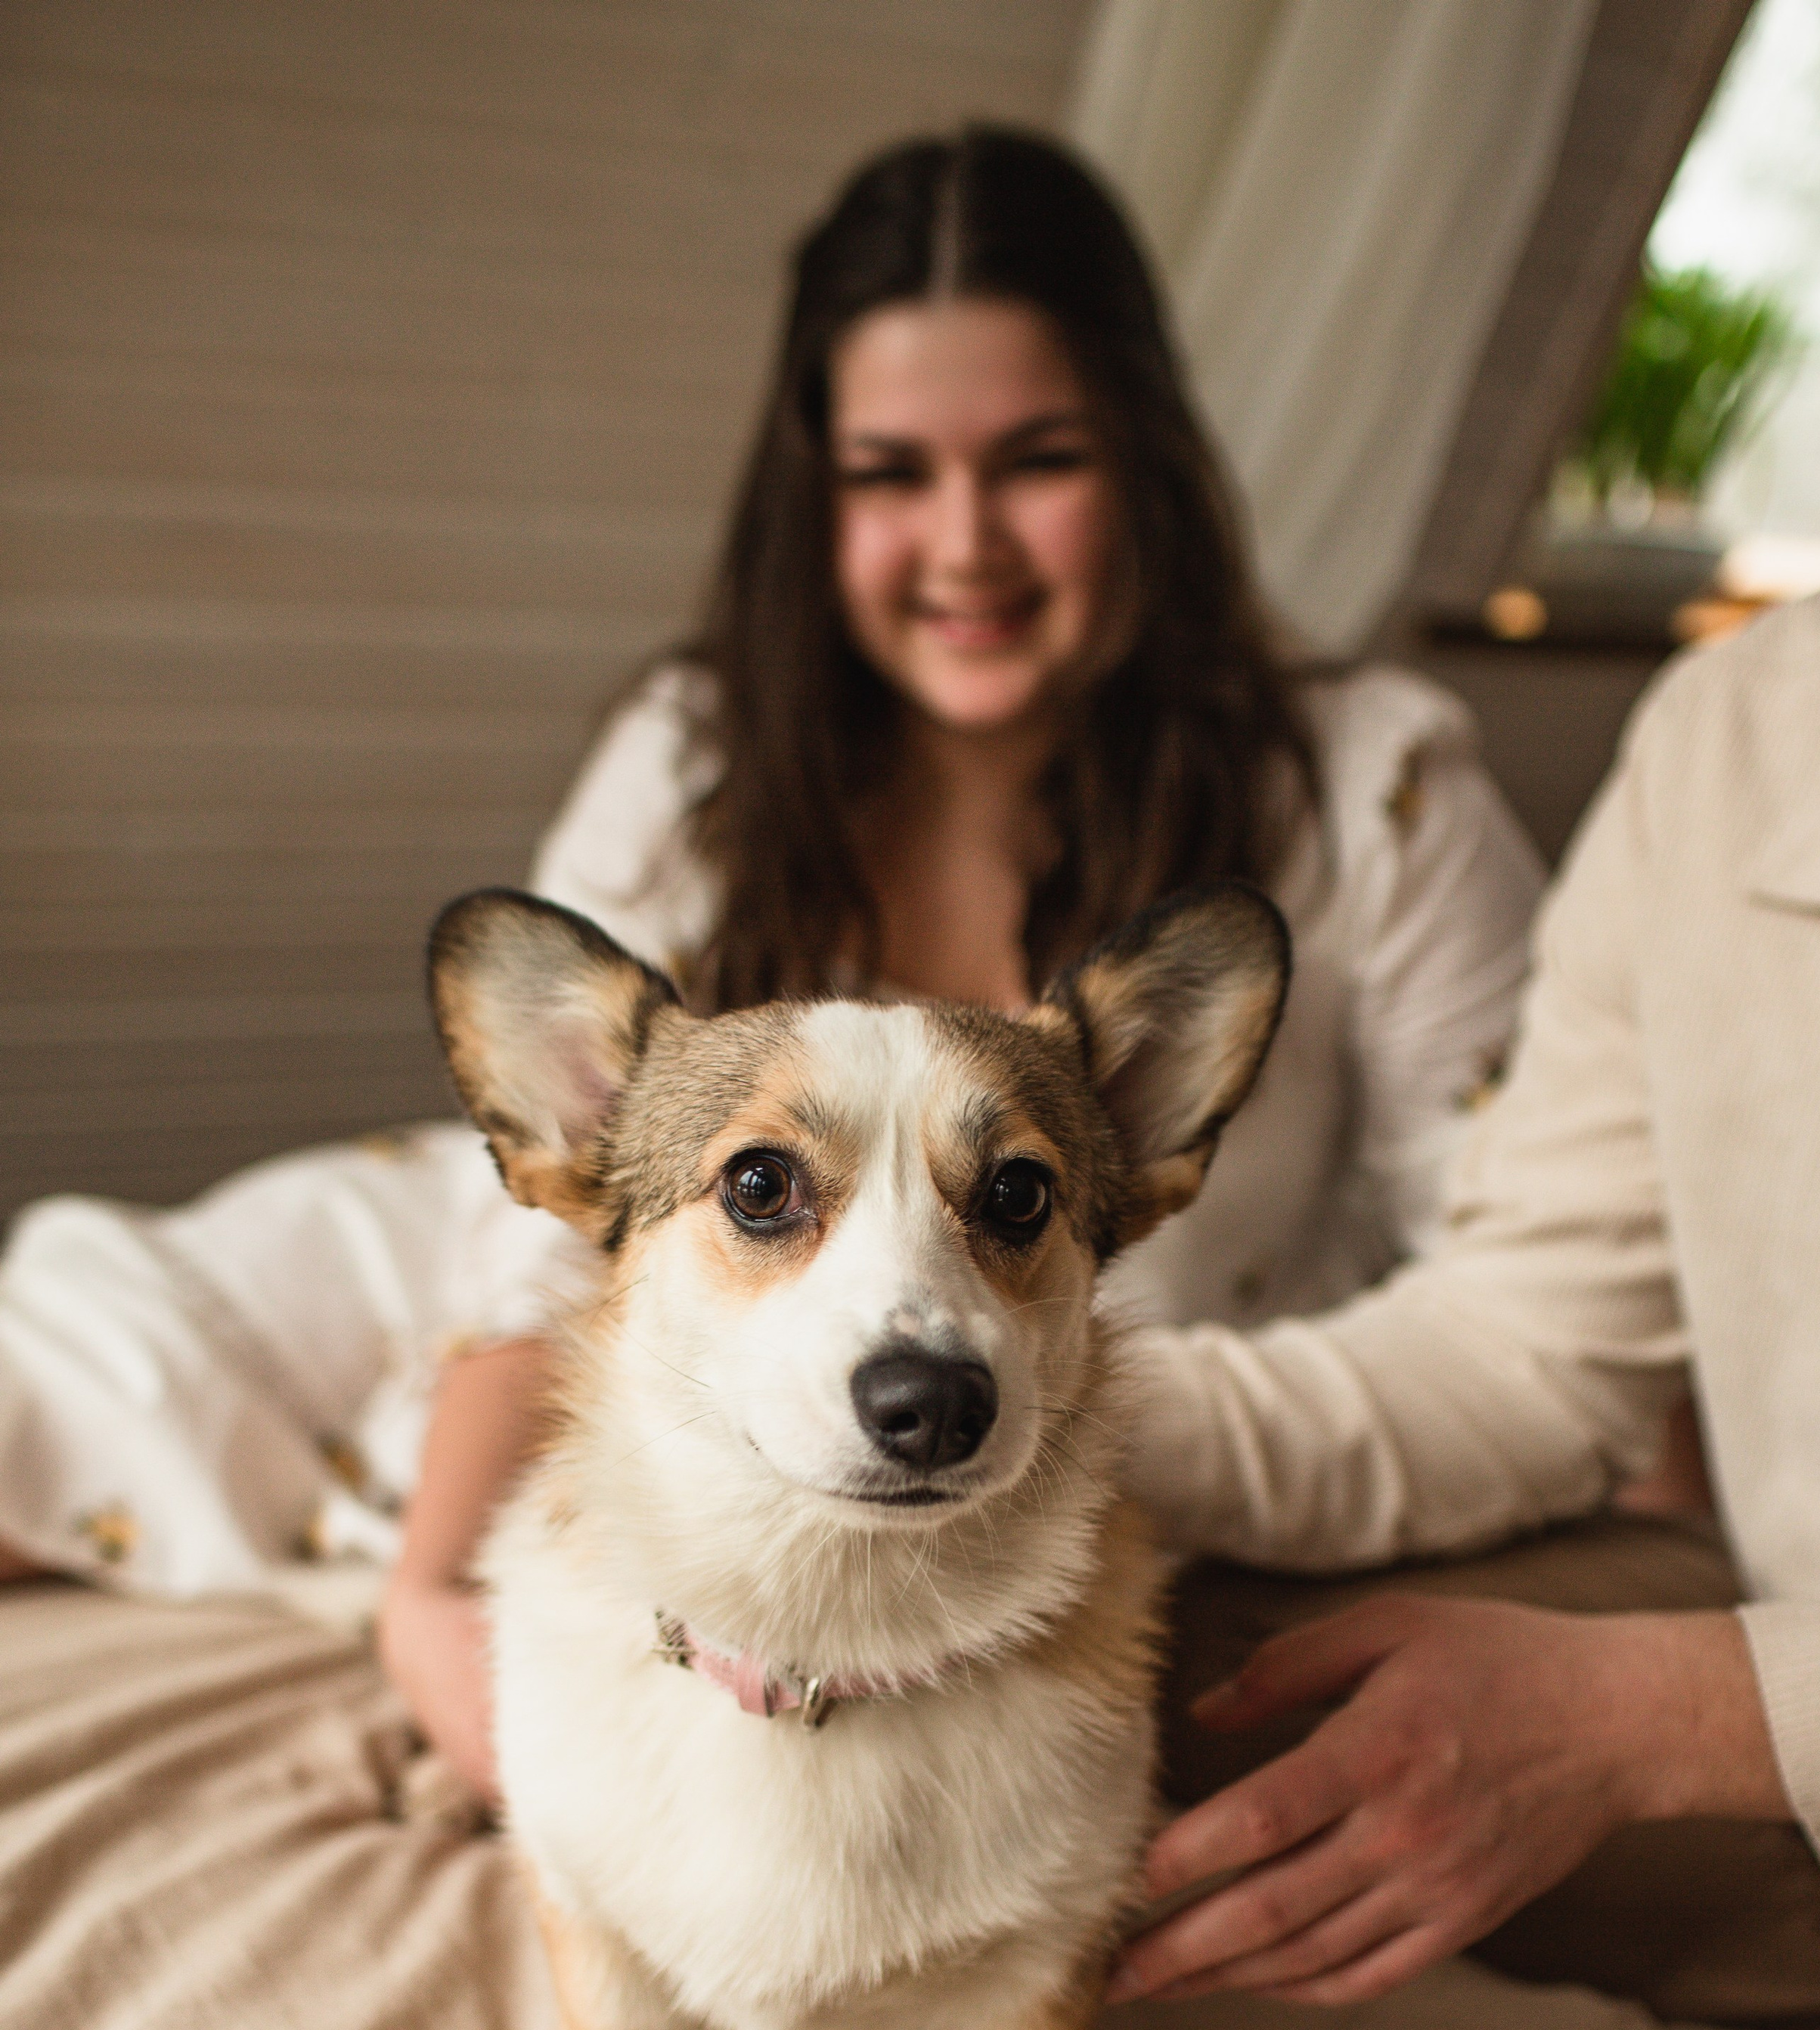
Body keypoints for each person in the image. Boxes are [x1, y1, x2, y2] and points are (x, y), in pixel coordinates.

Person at [0, 128, 1544, 1804]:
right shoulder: (697, 755)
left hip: (993, 1444)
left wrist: (1063, 1404)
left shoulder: (1380, 793)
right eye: (890, 473)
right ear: (814, 499)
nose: (964, 543)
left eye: (1038, 460)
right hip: (530, 1305)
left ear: (1151, 466)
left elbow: (1541, 1318)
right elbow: (535, 1253)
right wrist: (436, 1593)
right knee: (74, 1355)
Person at [1106, 66, 1820, 2030]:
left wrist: (1651, 1720)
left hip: (1776, 1742)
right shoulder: (1734, 744)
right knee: (1156, 1664)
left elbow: (1657, 1703)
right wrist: (1043, 1421)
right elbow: (1528, 1355)